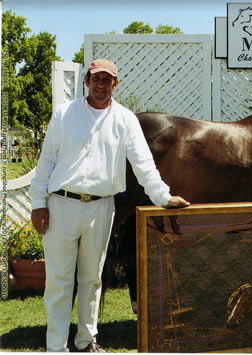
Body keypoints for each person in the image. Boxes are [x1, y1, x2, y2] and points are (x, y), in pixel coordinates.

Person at [29, 58, 190, 352]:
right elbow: (46, 164)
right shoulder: (64, 115)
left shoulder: (125, 119)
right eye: (96, 79)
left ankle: (86, 342)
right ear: (87, 82)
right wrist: (38, 204)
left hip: (101, 208)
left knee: (92, 279)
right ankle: (55, 347)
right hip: (61, 205)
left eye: (107, 80)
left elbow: (144, 166)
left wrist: (164, 197)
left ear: (116, 84)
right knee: (59, 282)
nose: (101, 84)